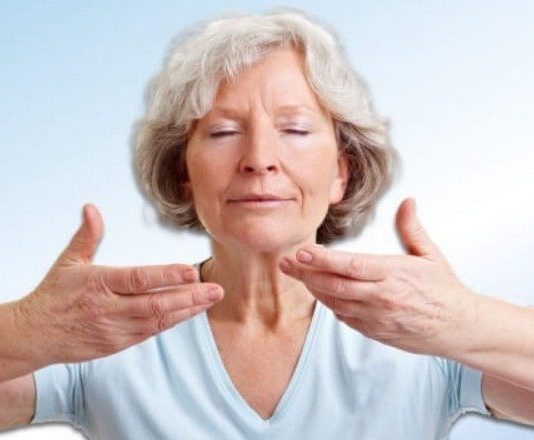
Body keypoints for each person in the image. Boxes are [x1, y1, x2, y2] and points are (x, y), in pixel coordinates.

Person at [1, 7, 534, 439]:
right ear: (183, 174)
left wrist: (465, 319)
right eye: (222, 132)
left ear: (341, 173)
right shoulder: (103, 333)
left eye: (295, 129)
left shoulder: (417, 329)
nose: (259, 159)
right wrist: (29, 328)